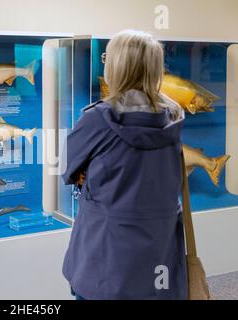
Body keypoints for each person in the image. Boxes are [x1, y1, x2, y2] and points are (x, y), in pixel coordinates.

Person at [62, 30, 187, 300]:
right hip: (159, 253)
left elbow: (71, 170)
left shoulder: (97, 119)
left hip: (106, 261)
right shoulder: (174, 117)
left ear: (117, 66)